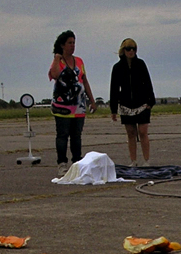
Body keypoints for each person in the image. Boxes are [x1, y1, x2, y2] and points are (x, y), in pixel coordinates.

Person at [48, 30, 97, 177]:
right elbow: (55, 74)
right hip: (62, 107)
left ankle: (77, 162)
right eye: (69, 43)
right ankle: (62, 163)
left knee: (77, 136)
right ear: (63, 45)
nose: (72, 46)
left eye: (74, 43)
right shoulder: (58, 61)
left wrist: (92, 101)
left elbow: (84, 80)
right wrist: (57, 57)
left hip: (78, 106)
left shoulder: (79, 61)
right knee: (62, 135)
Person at [109, 38, 156, 167]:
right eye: (128, 49)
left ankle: (146, 160)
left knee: (142, 132)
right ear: (123, 50)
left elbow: (147, 82)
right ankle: (133, 161)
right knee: (131, 133)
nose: (131, 51)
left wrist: (151, 101)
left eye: (133, 49)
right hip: (125, 105)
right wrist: (113, 109)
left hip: (142, 104)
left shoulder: (141, 64)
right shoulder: (117, 68)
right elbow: (114, 89)